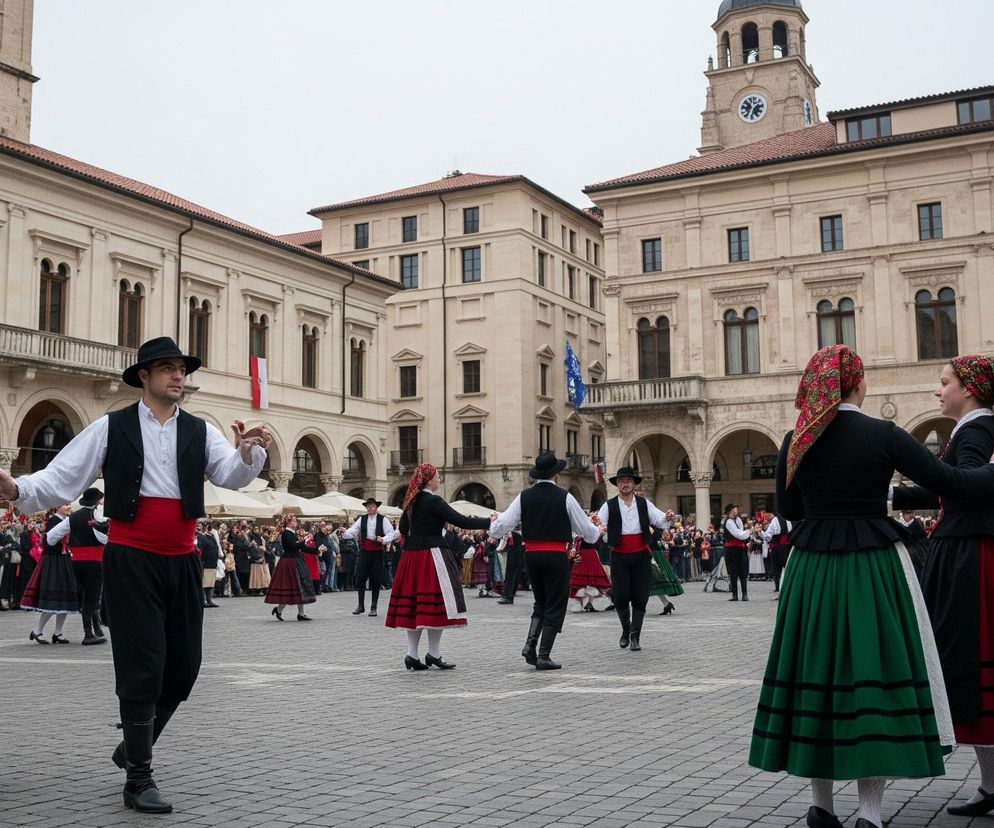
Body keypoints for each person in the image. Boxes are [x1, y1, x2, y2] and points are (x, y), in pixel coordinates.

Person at [0, 336, 269, 814]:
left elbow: (231, 474)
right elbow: (62, 477)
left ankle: (132, 747)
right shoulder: (111, 427)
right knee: (142, 665)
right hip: (130, 559)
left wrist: (247, 452)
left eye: (181, 369)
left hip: (182, 558)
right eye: (167, 368)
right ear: (144, 376)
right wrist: (17, 486)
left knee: (183, 669)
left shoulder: (200, 431)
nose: (177, 376)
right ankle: (139, 778)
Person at [748, 345, 994, 828]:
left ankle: (821, 806)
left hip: (810, 568)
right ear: (858, 384)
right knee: (873, 679)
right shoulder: (883, 434)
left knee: (814, 678)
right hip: (873, 565)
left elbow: (789, 508)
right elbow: (953, 483)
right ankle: (870, 813)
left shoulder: (795, 439)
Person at [892, 355, 994, 817]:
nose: (938, 390)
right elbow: (946, 489)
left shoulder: (974, 431)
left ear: (969, 388)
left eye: (944, 382)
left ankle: (993, 786)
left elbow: (965, 484)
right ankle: (991, 786)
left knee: (969, 665)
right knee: (971, 671)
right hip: (964, 548)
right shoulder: (972, 430)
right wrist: (890, 495)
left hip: (968, 555)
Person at [490, 452, 602, 670]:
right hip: (555, 555)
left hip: (531, 555)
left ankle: (530, 644)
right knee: (556, 603)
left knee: (540, 601)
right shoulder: (565, 497)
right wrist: (597, 533)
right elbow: (585, 531)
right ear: (556, 475)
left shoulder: (524, 496)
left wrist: (492, 526)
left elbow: (502, 526)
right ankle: (543, 654)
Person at [385, 463, 491, 670]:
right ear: (429, 479)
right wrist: (489, 521)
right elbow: (460, 520)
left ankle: (411, 654)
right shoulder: (434, 501)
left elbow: (403, 529)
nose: (439, 479)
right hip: (433, 555)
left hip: (411, 557)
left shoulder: (411, 502)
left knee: (414, 605)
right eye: (438, 476)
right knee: (438, 604)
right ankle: (434, 653)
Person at [596, 466, 673, 652]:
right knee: (621, 596)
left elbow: (660, 520)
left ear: (633, 484)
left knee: (640, 597)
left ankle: (635, 636)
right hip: (619, 555)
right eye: (621, 481)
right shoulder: (609, 505)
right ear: (617, 485)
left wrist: (668, 516)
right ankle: (625, 629)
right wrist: (598, 526)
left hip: (640, 555)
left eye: (628, 481)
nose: (625, 484)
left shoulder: (644, 504)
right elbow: (599, 523)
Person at [48, 487, 109, 643]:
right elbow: (103, 538)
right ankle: (88, 634)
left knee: (85, 595)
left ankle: (96, 629)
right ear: (96, 501)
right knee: (93, 597)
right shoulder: (97, 515)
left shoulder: (73, 517)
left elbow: (51, 537)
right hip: (94, 561)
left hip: (76, 562)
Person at [20, 502, 79, 644]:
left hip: (63, 560)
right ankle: (37, 630)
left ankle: (58, 632)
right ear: (57, 507)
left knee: (65, 598)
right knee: (52, 598)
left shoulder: (65, 521)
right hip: (54, 561)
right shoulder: (54, 520)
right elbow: (50, 541)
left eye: (69, 504)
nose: (69, 507)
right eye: (66, 504)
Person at [342, 497, 399, 617]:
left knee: (375, 580)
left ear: (376, 507)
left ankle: (374, 607)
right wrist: (344, 532)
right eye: (368, 506)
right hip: (364, 551)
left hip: (377, 551)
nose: (370, 508)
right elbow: (353, 531)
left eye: (372, 506)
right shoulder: (362, 519)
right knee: (360, 578)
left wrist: (383, 539)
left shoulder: (383, 519)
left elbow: (391, 533)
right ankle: (361, 605)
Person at [265, 513, 316, 620]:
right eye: (293, 521)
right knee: (293, 587)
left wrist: (317, 551)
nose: (295, 522)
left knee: (298, 587)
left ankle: (299, 613)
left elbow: (302, 548)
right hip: (289, 562)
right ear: (288, 522)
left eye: (295, 520)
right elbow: (293, 546)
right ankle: (282, 610)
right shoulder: (286, 533)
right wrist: (304, 540)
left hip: (296, 560)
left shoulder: (292, 533)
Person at [569, 517, 611, 612]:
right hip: (589, 553)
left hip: (586, 553)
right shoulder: (592, 529)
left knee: (587, 579)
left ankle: (585, 603)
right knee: (590, 579)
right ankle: (586, 603)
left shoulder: (587, 529)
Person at [648, 529, 683, 615]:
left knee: (655, 580)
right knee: (652, 581)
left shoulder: (654, 529)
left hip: (653, 555)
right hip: (654, 554)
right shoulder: (654, 528)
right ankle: (666, 604)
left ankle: (666, 604)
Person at [722, 504, 751, 601]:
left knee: (743, 571)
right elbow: (738, 534)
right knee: (733, 571)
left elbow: (741, 532)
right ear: (730, 511)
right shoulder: (729, 522)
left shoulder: (738, 520)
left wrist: (747, 534)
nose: (736, 510)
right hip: (732, 549)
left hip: (741, 548)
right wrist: (749, 532)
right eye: (734, 509)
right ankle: (734, 594)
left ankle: (745, 594)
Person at [762, 512, 792, 596]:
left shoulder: (775, 520)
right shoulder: (790, 519)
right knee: (787, 567)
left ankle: (778, 586)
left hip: (778, 547)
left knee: (776, 568)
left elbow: (768, 535)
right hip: (788, 546)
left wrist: (765, 537)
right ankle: (787, 585)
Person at [496, 529, 524, 604]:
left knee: (511, 573)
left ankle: (508, 596)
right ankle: (510, 595)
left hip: (516, 547)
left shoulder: (514, 531)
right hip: (519, 547)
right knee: (515, 573)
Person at [197, 522, 221, 609]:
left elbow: (216, 546)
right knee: (204, 582)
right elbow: (200, 550)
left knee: (211, 582)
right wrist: (201, 561)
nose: (209, 528)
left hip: (212, 562)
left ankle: (209, 599)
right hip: (205, 563)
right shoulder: (201, 537)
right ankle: (203, 600)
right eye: (207, 526)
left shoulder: (211, 536)